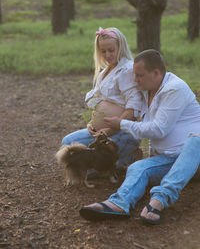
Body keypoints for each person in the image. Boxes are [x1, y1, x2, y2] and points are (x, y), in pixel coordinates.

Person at [79, 49, 200, 224]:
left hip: (195, 159)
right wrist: (96, 120)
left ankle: (158, 200)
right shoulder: (146, 90)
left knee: (196, 140)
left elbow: (159, 129)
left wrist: (121, 124)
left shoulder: (175, 89)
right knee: (137, 168)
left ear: (156, 73)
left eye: (140, 75)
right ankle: (119, 203)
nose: (135, 80)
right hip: (170, 159)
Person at [62, 27, 142, 170]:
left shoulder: (127, 71)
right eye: (103, 51)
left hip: (122, 133)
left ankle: (129, 156)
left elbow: (133, 108)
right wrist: (93, 124)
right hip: (100, 134)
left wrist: (108, 131)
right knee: (68, 144)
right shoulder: (105, 71)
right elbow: (100, 103)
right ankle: (122, 158)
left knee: (91, 171)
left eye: (111, 50)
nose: (107, 55)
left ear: (121, 47)